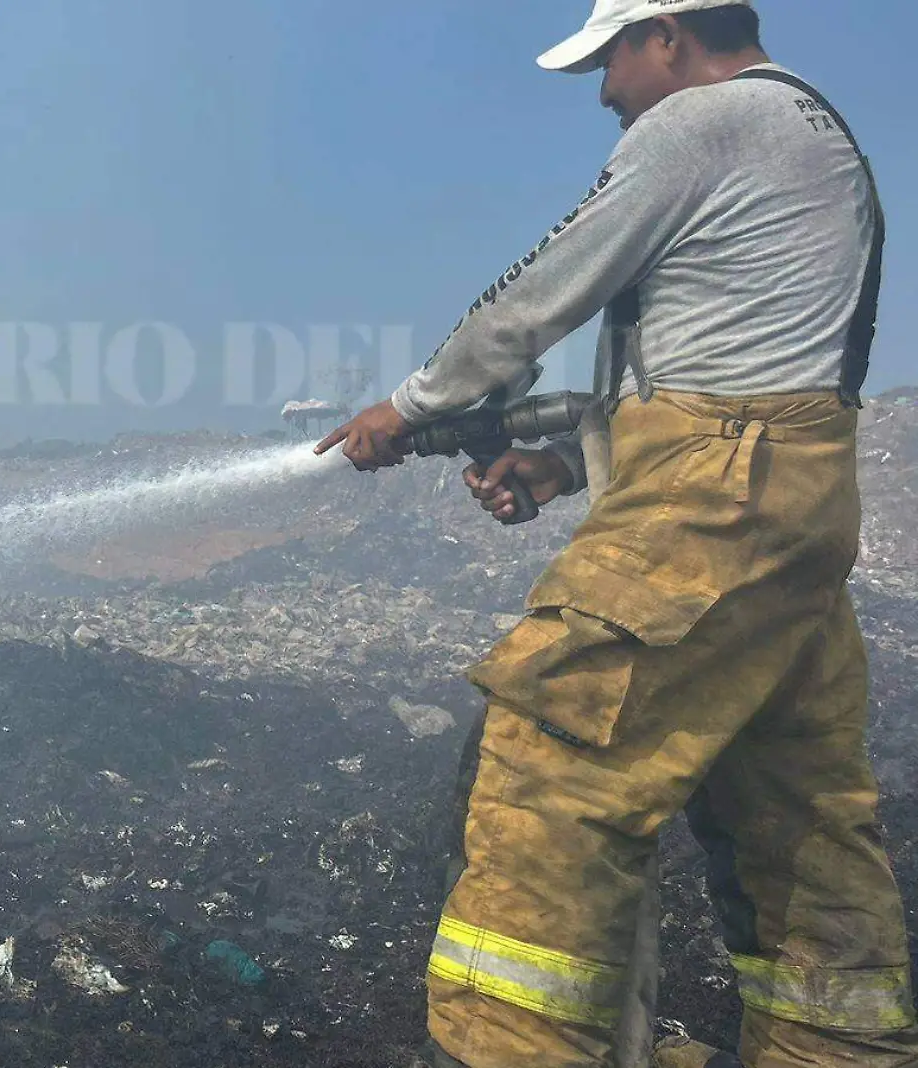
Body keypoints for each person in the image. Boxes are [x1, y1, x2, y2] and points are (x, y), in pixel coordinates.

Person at [314, 2, 910, 1066]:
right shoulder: (820, 139)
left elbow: (535, 298)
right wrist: (560, 466)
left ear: (669, 34)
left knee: (553, 761)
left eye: (609, 60)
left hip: (718, 501)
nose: (603, 92)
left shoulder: (699, 124)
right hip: (788, 509)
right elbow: (731, 380)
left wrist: (404, 408)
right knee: (796, 817)